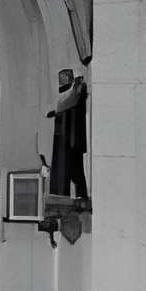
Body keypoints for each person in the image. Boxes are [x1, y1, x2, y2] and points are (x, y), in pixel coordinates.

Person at [47, 68, 89, 202]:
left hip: (72, 140)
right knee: (71, 173)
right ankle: (75, 197)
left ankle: (80, 197)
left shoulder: (78, 91)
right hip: (67, 141)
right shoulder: (72, 95)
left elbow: (68, 103)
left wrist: (56, 110)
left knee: (75, 172)